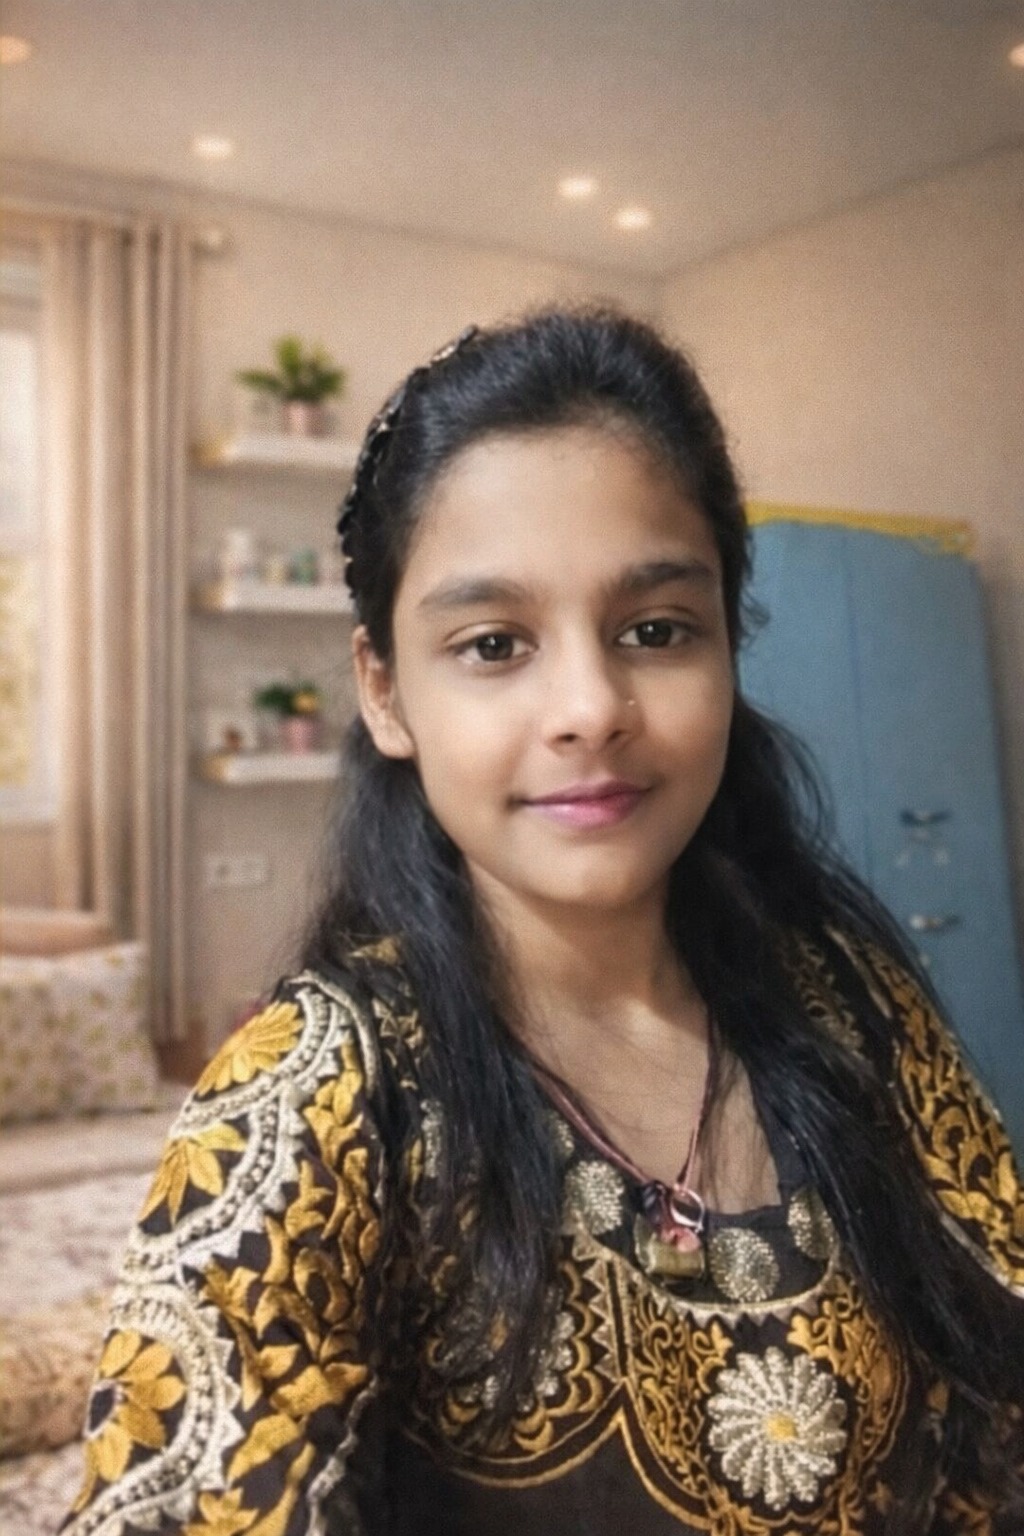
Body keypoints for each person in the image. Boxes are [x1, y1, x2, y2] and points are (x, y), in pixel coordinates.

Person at [62, 307, 1024, 1536]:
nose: (589, 706)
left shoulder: (851, 1004)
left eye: (655, 630)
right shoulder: (313, 1101)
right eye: (493, 644)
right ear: (384, 692)